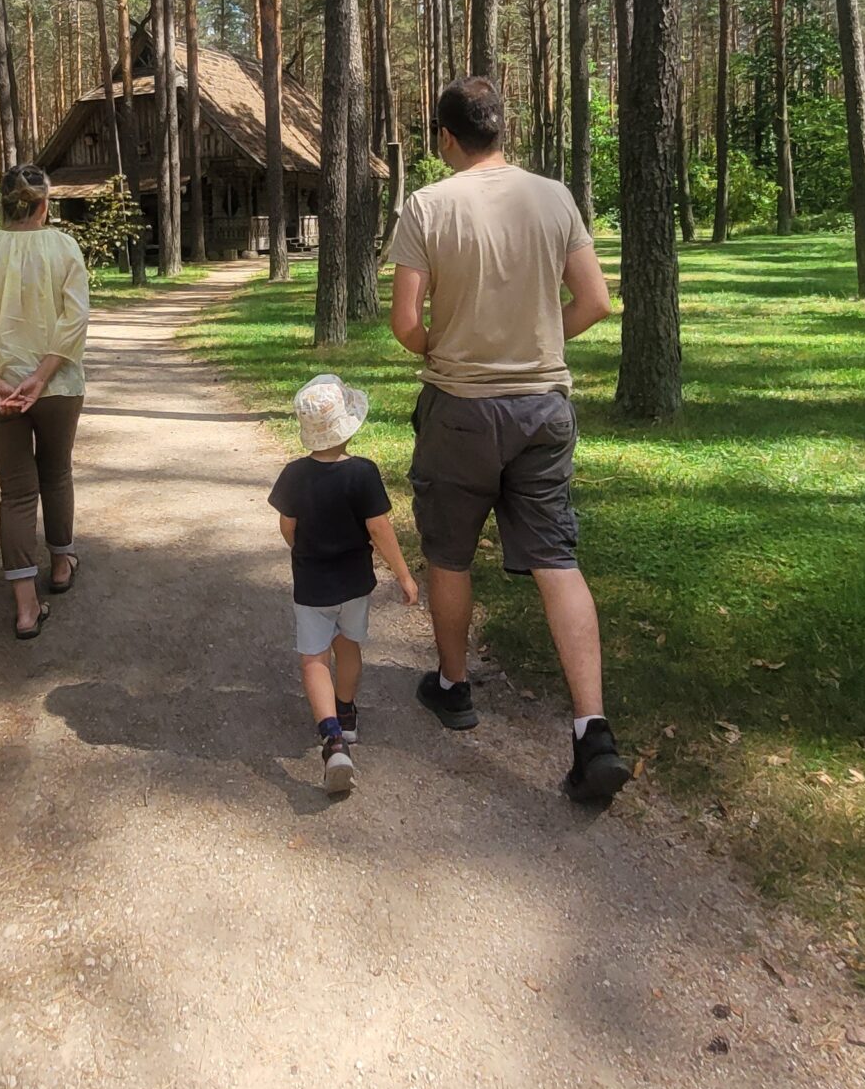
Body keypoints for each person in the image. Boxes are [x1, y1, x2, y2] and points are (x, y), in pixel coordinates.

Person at [384, 76, 631, 807]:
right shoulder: (554, 197)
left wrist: (446, 348)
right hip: (543, 410)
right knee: (556, 556)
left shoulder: (427, 206)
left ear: (446, 138)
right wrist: (542, 343)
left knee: (449, 551)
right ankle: (593, 731)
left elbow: (405, 323)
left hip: (460, 407)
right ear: (503, 131)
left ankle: (455, 687)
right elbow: (596, 301)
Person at [0, 163, 90, 641]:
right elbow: (75, 320)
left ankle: (26, 608)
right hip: (55, 386)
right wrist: (40, 376)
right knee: (56, 474)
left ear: (4, 202)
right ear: (44, 203)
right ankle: (60, 565)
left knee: (15, 491)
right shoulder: (64, 246)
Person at [268, 374, 420, 797]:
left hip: (312, 584)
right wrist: (404, 574)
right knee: (348, 646)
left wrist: (302, 549)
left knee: (313, 660)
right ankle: (347, 712)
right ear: (348, 425)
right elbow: (379, 529)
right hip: (356, 582)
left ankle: (332, 738)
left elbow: (287, 525)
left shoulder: (295, 475)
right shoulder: (363, 473)